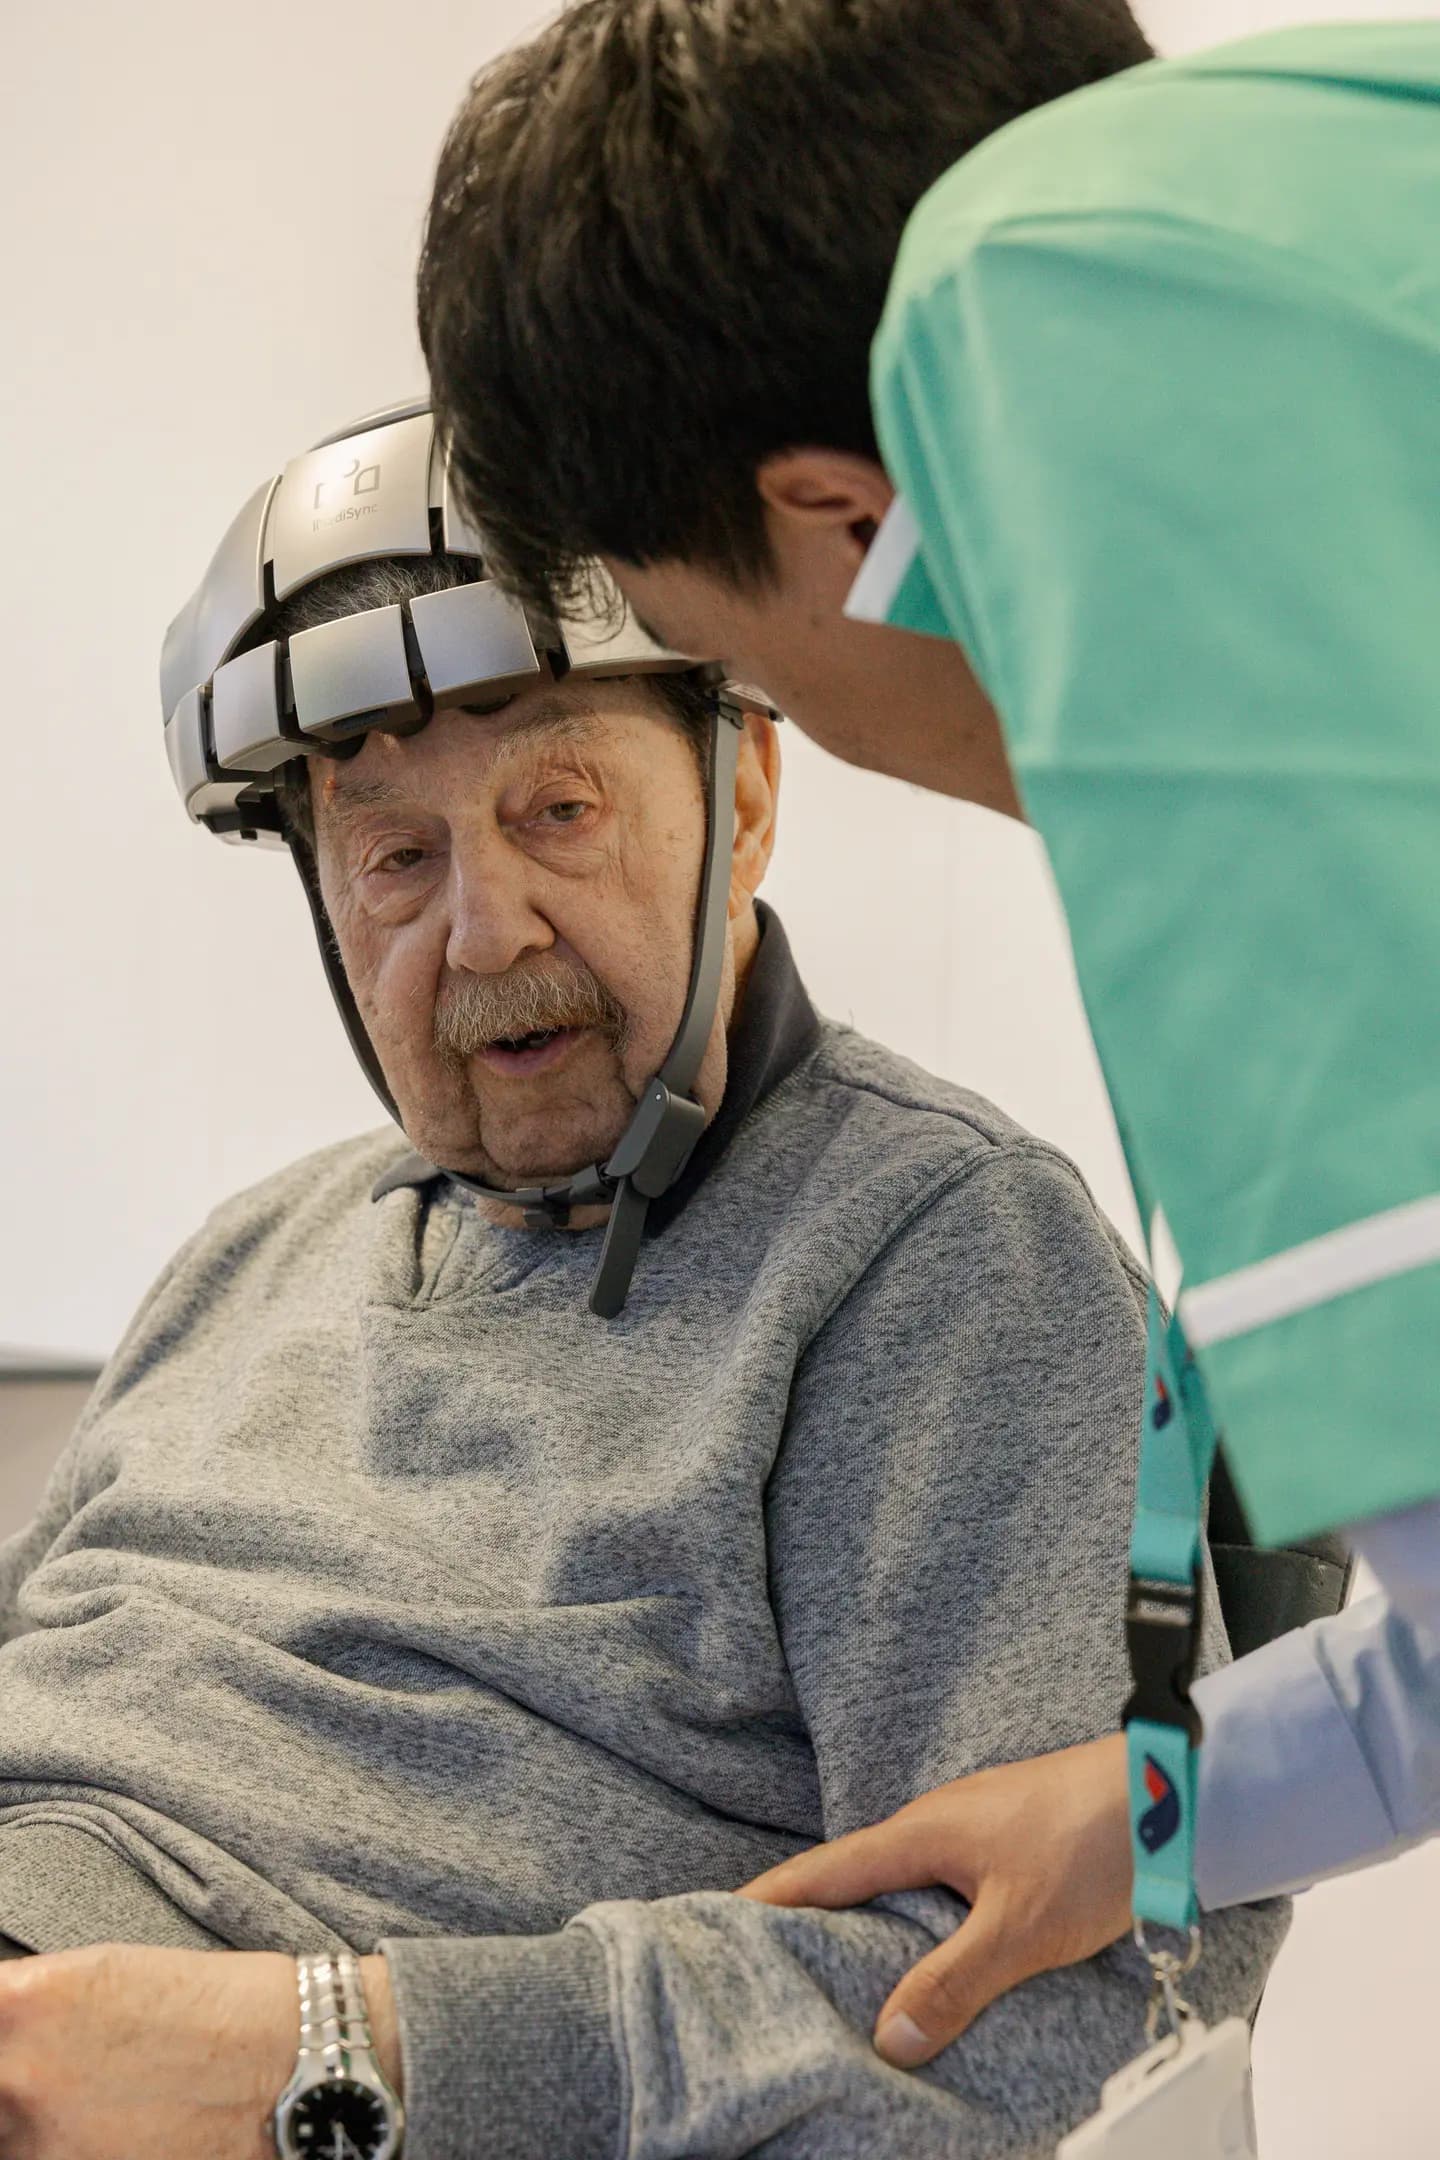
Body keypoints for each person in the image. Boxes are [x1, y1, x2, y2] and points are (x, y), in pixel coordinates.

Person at [0, 406, 1283, 2159]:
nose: (485, 929)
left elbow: (1093, 2028)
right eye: (395, 857)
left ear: (743, 803)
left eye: (559, 810)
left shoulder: (945, 1266)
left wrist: (330, 2060)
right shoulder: (256, 1252)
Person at [415, 0, 1440, 2071]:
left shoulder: (1254, 798)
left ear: (845, 517)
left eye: (711, 653)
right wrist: (1155, 1807)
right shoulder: (1359, 163)